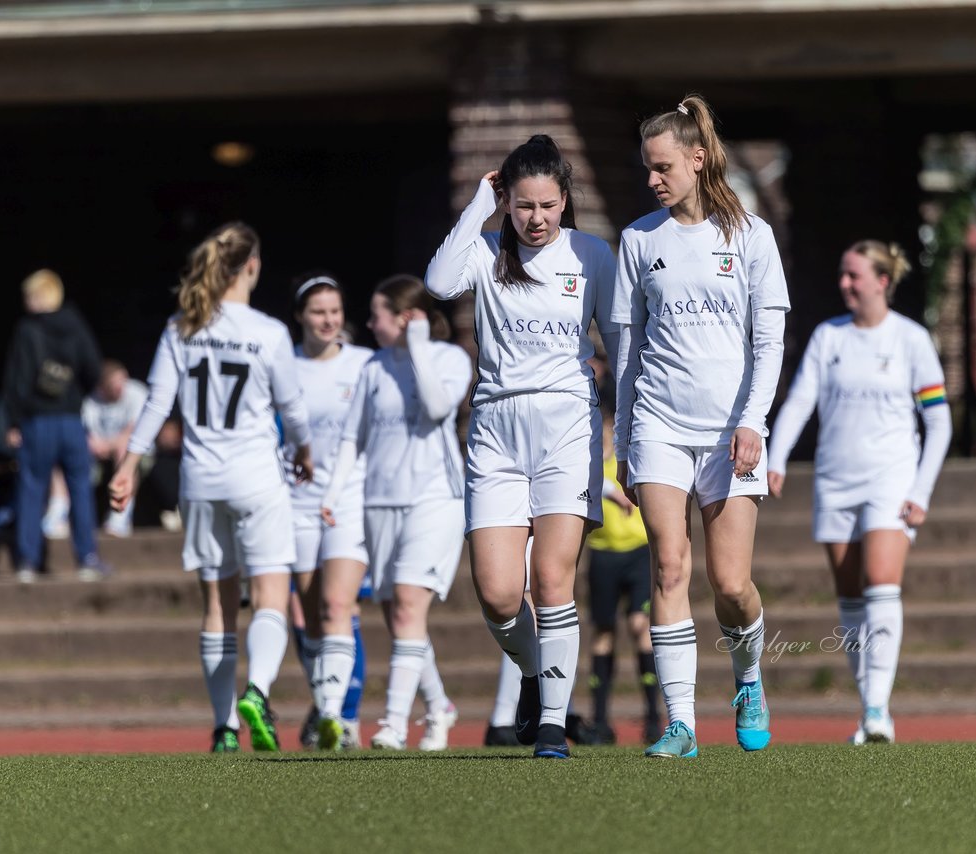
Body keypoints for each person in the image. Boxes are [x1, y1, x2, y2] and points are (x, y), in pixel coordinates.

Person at [425, 134, 618, 759]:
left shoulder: (591, 254)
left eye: (549, 206)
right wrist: (480, 202)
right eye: (524, 206)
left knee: (553, 577)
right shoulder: (483, 250)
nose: (537, 220)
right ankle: (535, 675)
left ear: (566, 202)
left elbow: (620, 343)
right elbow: (437, 282)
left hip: (568, 428)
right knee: (501, 593)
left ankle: (555, 729)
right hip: (495, 433)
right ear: (507, 201)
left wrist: (633, 432)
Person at [612, 94, 790, 759]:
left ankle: (748, 678)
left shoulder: (750, 235)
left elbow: (769, 343)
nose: (652, 180)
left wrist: (752, 422)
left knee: (732, 585)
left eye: (662, 167)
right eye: (646, 169)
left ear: (696, 158)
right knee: (667, 563)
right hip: (658, 424)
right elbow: (628, 352)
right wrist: (627, 437)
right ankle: (680, 724)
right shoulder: (637, 240)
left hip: (730, 434)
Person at [109, 222, 313, 754]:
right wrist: (305, 452)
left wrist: (129, 465)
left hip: (200, 483)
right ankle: (258, 692)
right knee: (271, 592)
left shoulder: (182, 326)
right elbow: (292, 411)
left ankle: (223, 727)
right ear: (252, 267)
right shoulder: (268, 332)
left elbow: (156, 403)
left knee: (218, 606)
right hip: (256, 478)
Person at [766, 240, 952, 745]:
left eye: (854, 276)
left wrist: (922, 491)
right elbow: (801, 400)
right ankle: (867, 703)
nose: (845, 284)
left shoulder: (911, 339)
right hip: (834, 480)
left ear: (882, 281)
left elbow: (939, 422)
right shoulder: (829, 337)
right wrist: (775, 459)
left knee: (880, 580)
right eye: (843, 276)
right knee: (849, 595)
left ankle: (877, 710)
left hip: (890, 480)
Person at [321, 274, 471, 752]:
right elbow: (352, 437)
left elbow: (435, 408)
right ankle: (440, 706)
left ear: (406, 317)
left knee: (408, 603)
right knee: (399, 615)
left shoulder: (449, 359)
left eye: (378, 315)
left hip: (435, 498)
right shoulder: (373, 366)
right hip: (378, 501)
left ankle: (391, 724)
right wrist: (333, 490)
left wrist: (421, 346)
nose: (369, 323)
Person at [1, 269, 109, 583]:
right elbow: (94, 368)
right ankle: (87, 558)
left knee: (32, 488)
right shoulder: (76, 326)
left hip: (37, 422)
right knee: (80, 487)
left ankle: (27, 562)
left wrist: (13, 420)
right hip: (72, 421)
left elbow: (16, 379)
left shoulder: (27, 330)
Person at [585, 391, 664, 745]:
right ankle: (600, 720)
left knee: (639, 626)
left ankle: (653, 716)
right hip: (602, 555)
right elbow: (585, 485)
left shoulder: (629, 457)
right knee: (603, 633)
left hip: (637, 554)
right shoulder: (589, 464)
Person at [81, 359, 149, 537]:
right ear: (102, 387)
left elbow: (132, 433)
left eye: (122, 381)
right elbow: (89, 437)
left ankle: (120, 516)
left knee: (124, 449)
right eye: (114, 385)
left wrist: (109, 444)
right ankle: (60, 513)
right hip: (98, 456)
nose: (121, 388)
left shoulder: (137, 392)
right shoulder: (91, 401)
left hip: (137, 454)